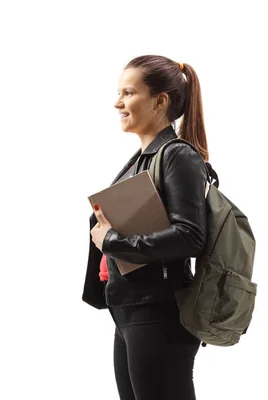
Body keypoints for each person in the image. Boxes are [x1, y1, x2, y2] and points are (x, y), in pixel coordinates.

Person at [82, 55, 209, 400]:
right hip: (131, 311)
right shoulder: (142, 160)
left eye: (128, 93)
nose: (117, 102)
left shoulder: (177, 155)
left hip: (158, 313)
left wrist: (111, 240)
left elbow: (190, 236)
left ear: (159, 101)